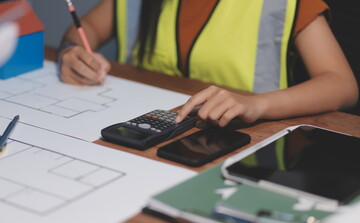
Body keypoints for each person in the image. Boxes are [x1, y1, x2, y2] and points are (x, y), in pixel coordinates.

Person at [58, 0, 358, 127]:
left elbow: (341, 83)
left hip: (240, 143)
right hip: (142, 130)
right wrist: (71, 51)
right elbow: (86, 28)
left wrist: (258, 105)